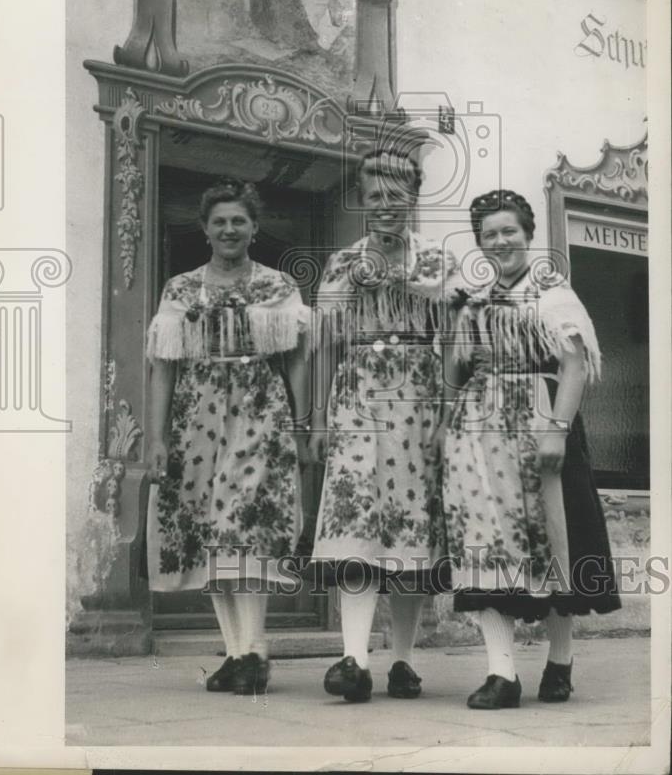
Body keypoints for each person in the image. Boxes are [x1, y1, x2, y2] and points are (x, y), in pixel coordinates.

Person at [442, 189, 620, 709]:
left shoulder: (551, 290)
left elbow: (574, 364)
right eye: (489, 235)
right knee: (484, 547)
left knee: (554, 542)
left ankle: (559, 663)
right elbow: (455, 374)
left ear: (528, 234)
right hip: (478, 435)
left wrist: (557, 429)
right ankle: (502, 674)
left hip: (540, 418)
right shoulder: (473, 300)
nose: (500, 242)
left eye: (508, 231)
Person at [145, 178, 311, 696]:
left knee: (246, 524)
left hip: (259, 411)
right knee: (208, 528)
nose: (229, 229)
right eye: (219, 221)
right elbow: (163, 368)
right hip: (196, 416)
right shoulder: (180, 289)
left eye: (239, 220)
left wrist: (302, 422)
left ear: (254, 228)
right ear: (205, 229)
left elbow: (300, 360)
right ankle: (237, 652)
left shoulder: (278, 286)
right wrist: (156, 437)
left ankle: (256, 646)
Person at [309, 146, 457, 703]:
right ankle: (353, 659)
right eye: (376, 197)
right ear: (363, 202)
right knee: (356, 526)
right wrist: (320, 415)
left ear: (413, 198)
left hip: (418, 406)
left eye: (397, 196)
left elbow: (453, 344)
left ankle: (402, 661)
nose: (387, 206)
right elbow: (325, 344)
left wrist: (447, 412)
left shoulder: (437, 263)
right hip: (358, 401)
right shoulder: (345, 263)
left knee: (410, 533)